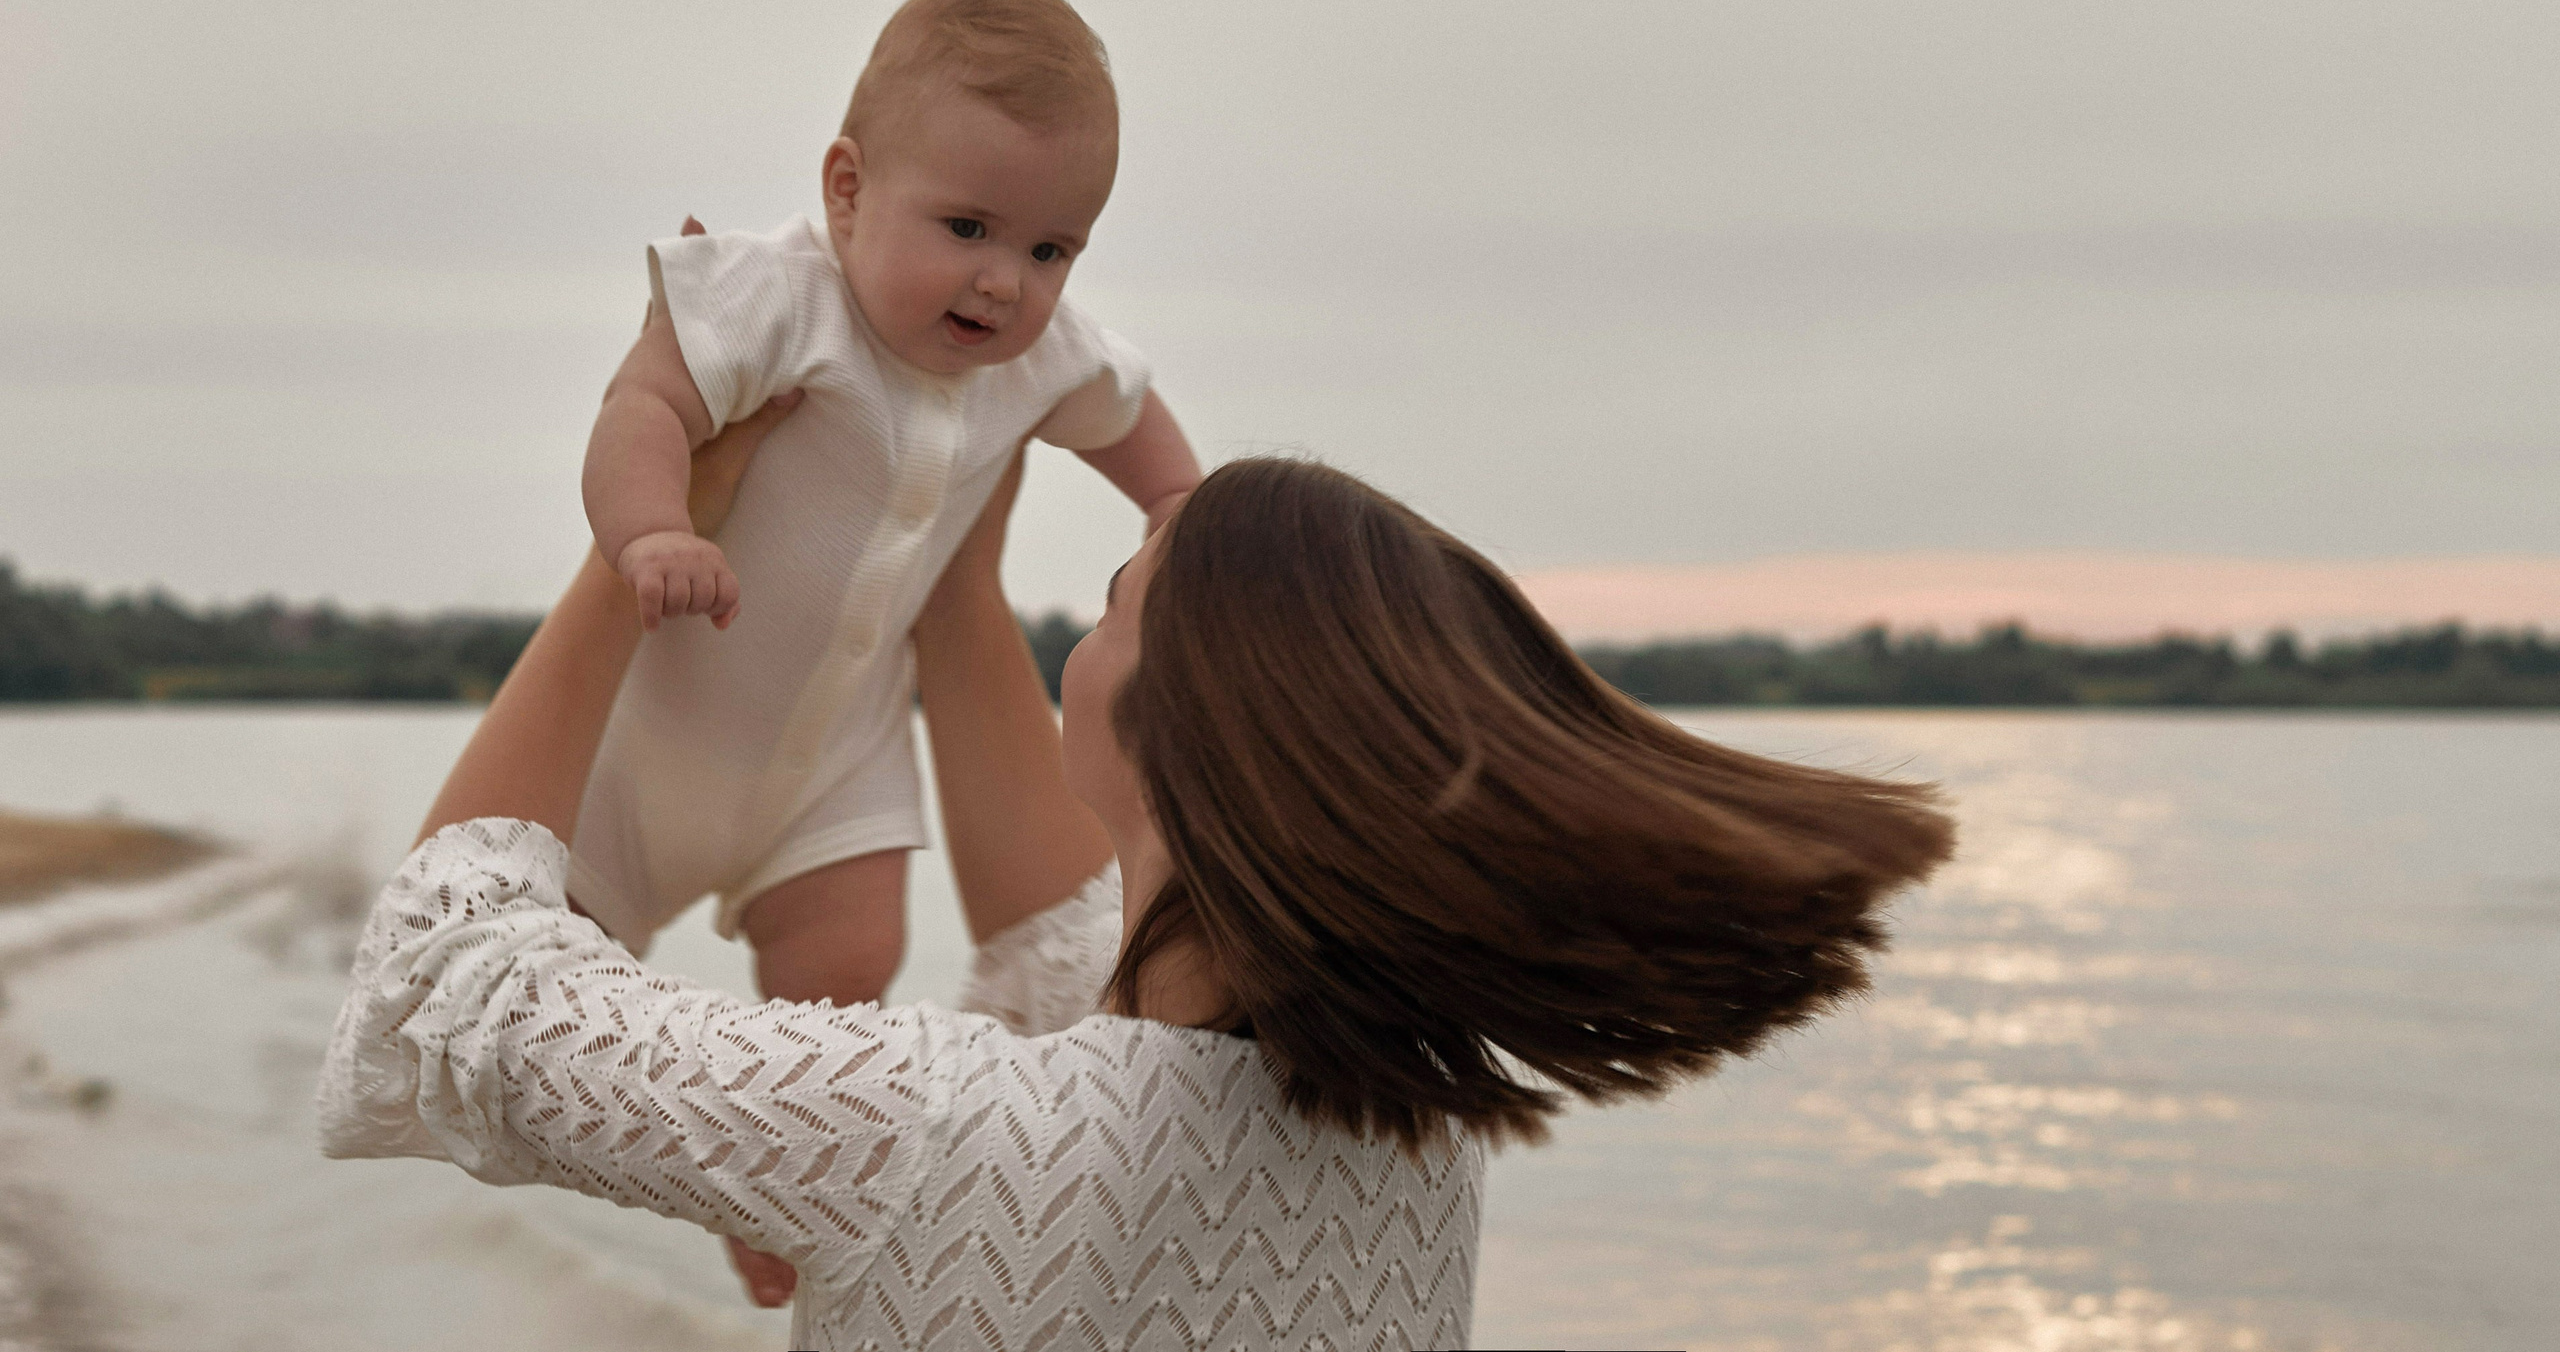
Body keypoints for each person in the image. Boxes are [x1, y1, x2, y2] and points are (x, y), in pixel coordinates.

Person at [317, 405, 1954, 1348]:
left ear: (1180, 732)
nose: (1072, 638)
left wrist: (640, 553)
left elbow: (448, 978)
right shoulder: (1407, 1133)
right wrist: (955, 527)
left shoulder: (926, 1128)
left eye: (1113, 598)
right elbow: (1066, 932)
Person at [571, 0, 1199, 1021]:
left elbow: (1131, 416)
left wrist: (1179, 507)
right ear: (847, 189)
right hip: (646, 744)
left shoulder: (1042, 356)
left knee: (852, 966)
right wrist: (651, 532)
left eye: (1050, 249)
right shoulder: (778, 296)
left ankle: (781, 1153)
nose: (1005, 281)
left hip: (840, 761)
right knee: (547, 973)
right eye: (967, 227)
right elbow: (643, 399)